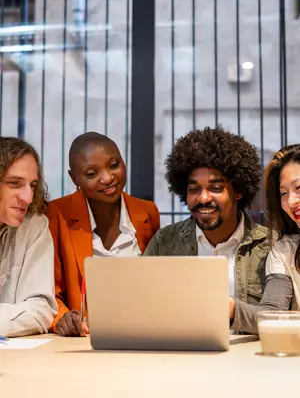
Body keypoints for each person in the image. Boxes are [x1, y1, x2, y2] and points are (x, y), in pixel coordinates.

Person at [144, 126, 293, 334]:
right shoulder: (165, 242)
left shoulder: (271, 246)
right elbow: (142, 307)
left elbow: (279, 318)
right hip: (179, 357)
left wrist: (230, 309)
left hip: (248, 360)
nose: (203, 198)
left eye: (215, 188)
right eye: (193, 189)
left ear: (238, 191)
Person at [48, 132, 160, 337]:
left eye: (114, 165)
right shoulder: (57, 214)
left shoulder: (147, 212)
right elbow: (49, 291)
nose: (108, 178)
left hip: (142, 333)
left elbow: (157, 281)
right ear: (74, 178)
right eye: (91, 174)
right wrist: (62, 318)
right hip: (85, 340)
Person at [0, 137, 57, 337]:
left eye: (32, 185)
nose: (28, 197)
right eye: (14, 183)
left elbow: (42, 308)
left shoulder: (35, 225)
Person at [264, 144, 300, 309]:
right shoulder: (285, 251)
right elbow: (272, 312)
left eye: (299, 188)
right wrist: (231, 308)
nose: (291, 202)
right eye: (283, 193)